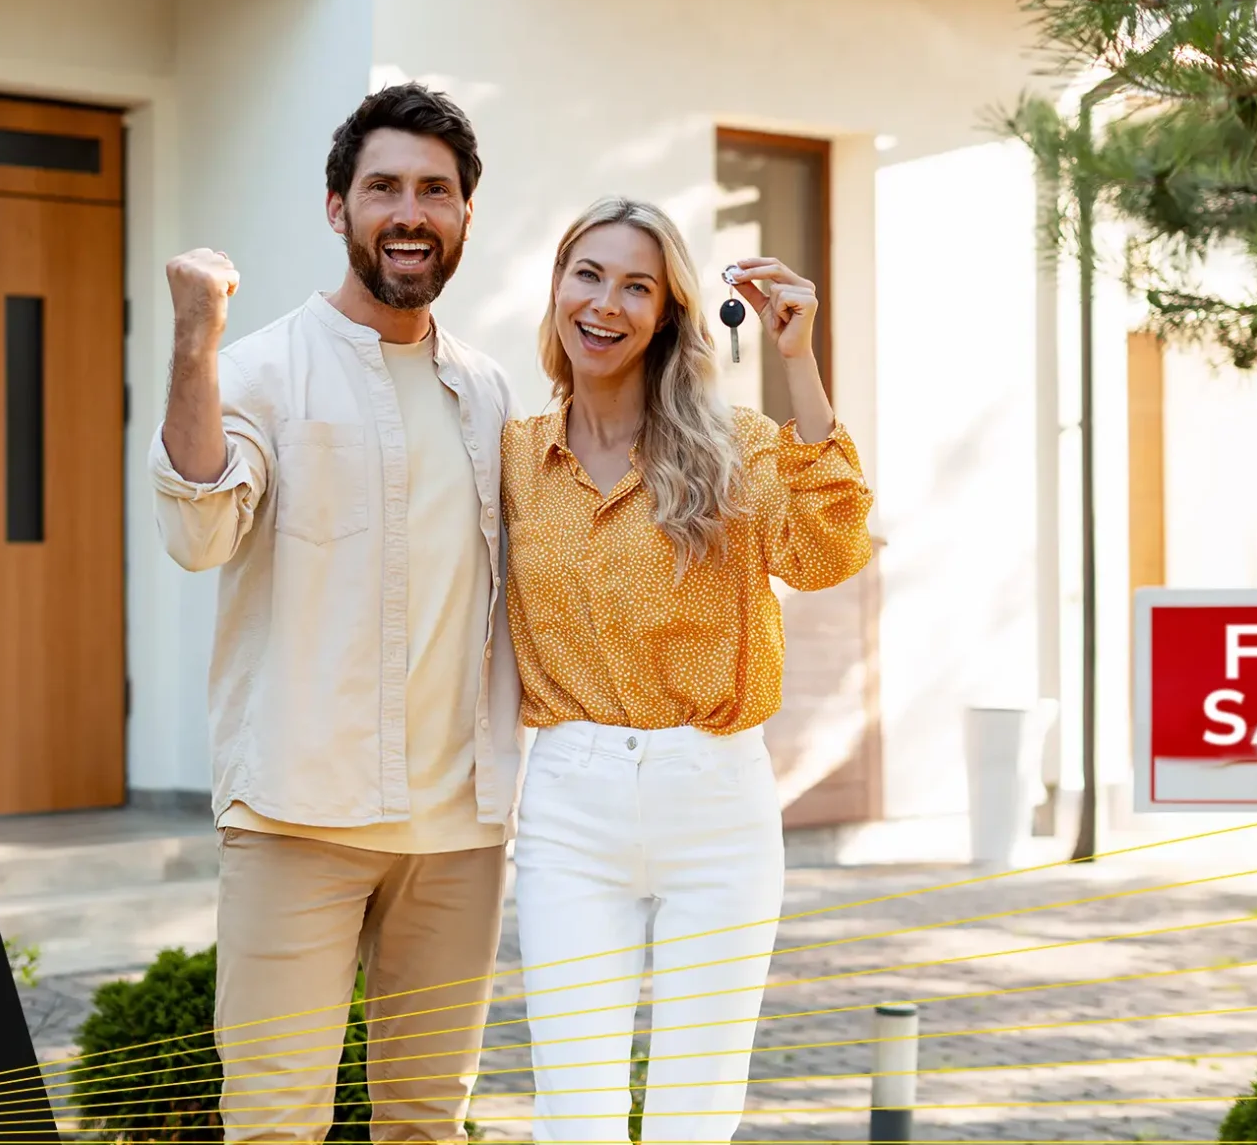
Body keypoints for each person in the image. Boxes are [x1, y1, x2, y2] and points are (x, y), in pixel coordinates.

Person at [150, 81, 523, 1144]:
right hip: (296, 814)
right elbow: (195, 532)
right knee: (273, 1123)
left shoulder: (489, 393)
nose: (410, 210)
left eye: (434, 191)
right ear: (336, 207)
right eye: (384, 187)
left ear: (462, 216)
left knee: (426, 1122)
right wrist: (193, 340)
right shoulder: (256, 368)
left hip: (459, 826)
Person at [497, 196, 875, 1143]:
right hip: (570, 805)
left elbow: (831, 548)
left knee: (693, 1115)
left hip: (715, 799)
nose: (606, 304)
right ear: (555, 288)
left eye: (638, 287)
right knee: (572, 1112)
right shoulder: (511, 458)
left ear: (667, 315)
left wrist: (800, 362)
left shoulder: (734, 445)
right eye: (588, 275)